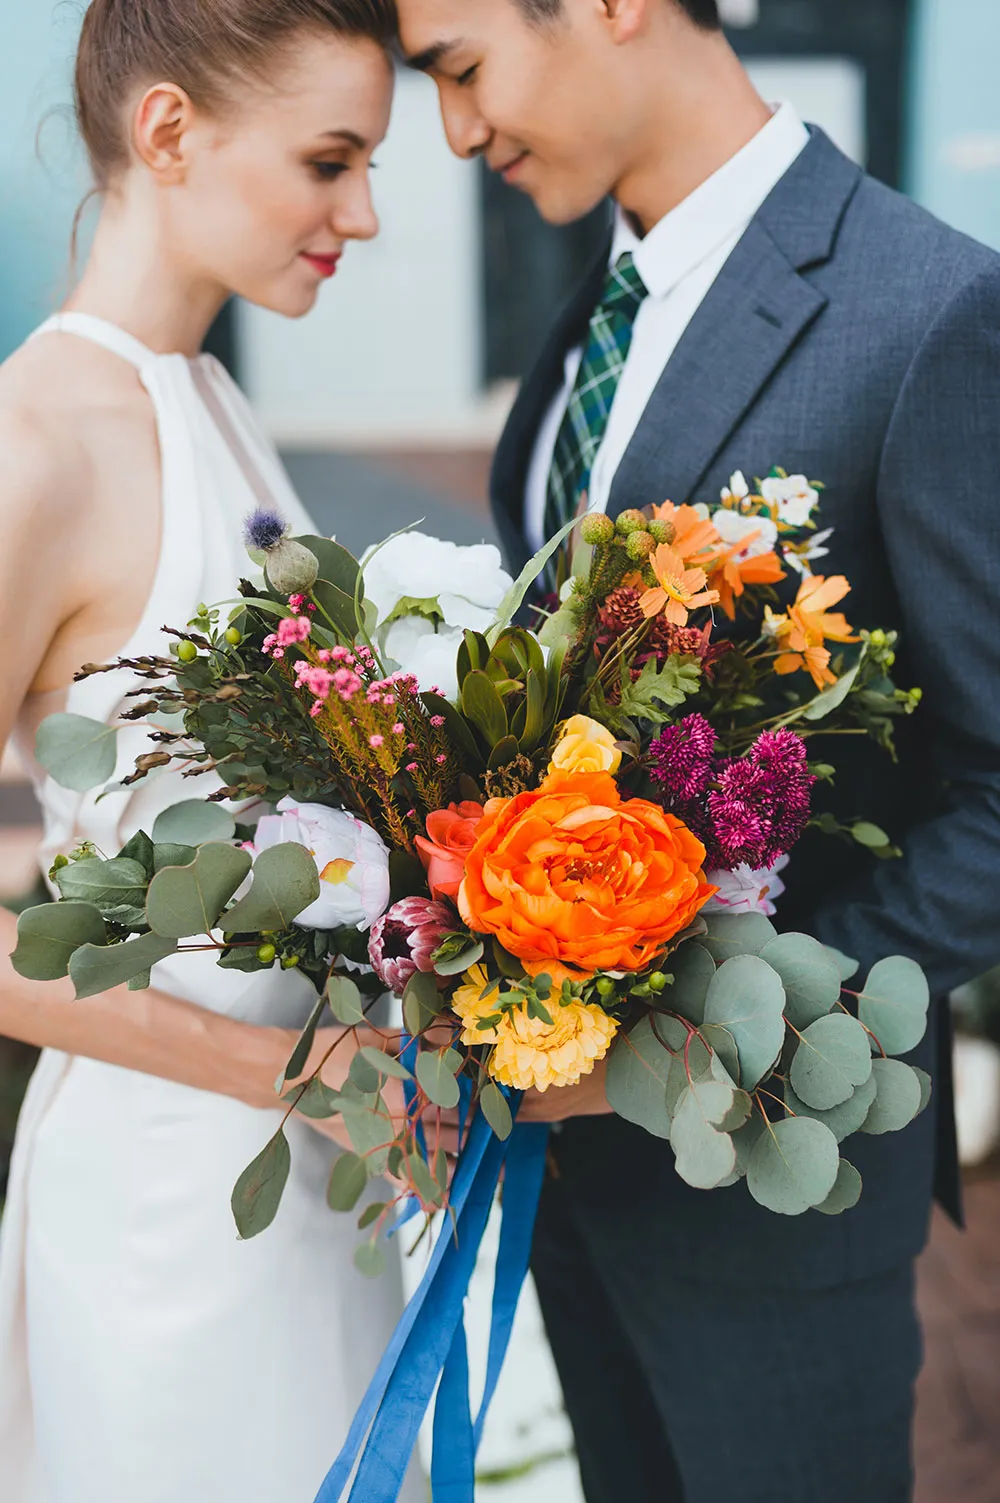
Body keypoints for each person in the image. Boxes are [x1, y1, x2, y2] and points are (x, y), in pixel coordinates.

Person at [397, 0, 1000, 1498]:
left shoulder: (929, 310)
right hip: (572, 1181)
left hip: (773, 1196)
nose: (458, 132)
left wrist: (734, 1034)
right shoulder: (592, 323)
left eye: (461, 69)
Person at [0, 3, 424, 1500]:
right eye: (330, 162)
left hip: (310, 1167)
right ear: (170, 131)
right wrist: (279, 1066)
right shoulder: (36, 442)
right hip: (174, 1207)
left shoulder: (211, 394)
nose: (362, 214)